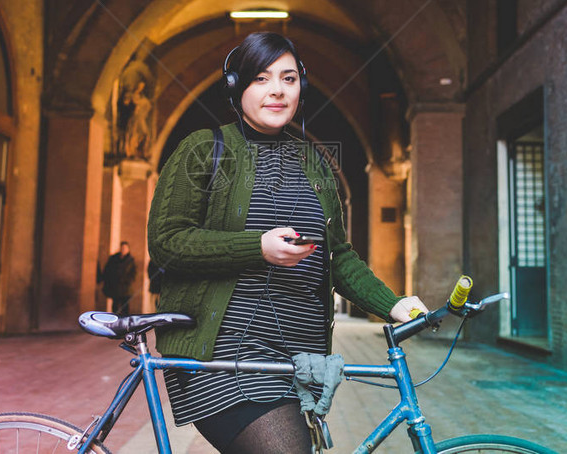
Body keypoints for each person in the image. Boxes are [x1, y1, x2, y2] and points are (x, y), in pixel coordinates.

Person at [147, 32, 428, 453]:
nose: (277, 89)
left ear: (301, 88)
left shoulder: (313, 161)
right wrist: (255, 247)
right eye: (261, 78)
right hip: (225, 356)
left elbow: (338, 256)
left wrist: (392, 303)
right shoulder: (204, 149)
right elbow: (167, 241)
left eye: (289, 78)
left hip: (294, 362)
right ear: (236, 87)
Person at [97, 241, 136, 314]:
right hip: (115, 288)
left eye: (125, 248)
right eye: (122, 248)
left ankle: (125, 323)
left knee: (125, 307)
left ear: (128, 249)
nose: (123, 250)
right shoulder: (113, 259)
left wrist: (126, 280)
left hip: (125, 289)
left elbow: (133, 274)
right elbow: (107, 270)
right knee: (115, 307)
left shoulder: (131, 260)